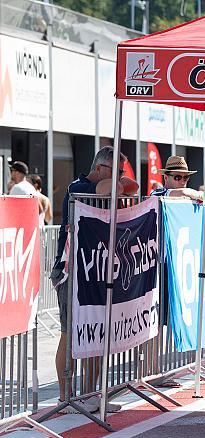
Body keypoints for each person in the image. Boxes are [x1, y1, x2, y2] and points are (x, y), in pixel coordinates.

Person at [50, 146, 138, 413]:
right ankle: (65, 398)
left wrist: (120, 177)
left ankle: (91, 394)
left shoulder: (107, 183)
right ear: (100, 168)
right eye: (117, 171)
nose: (122, 176)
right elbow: (108, 191)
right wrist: (116, 181)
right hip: (71, 269)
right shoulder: (78, 186)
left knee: (97, 334)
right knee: (69, 332)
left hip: (95, 269)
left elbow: (132, 187)